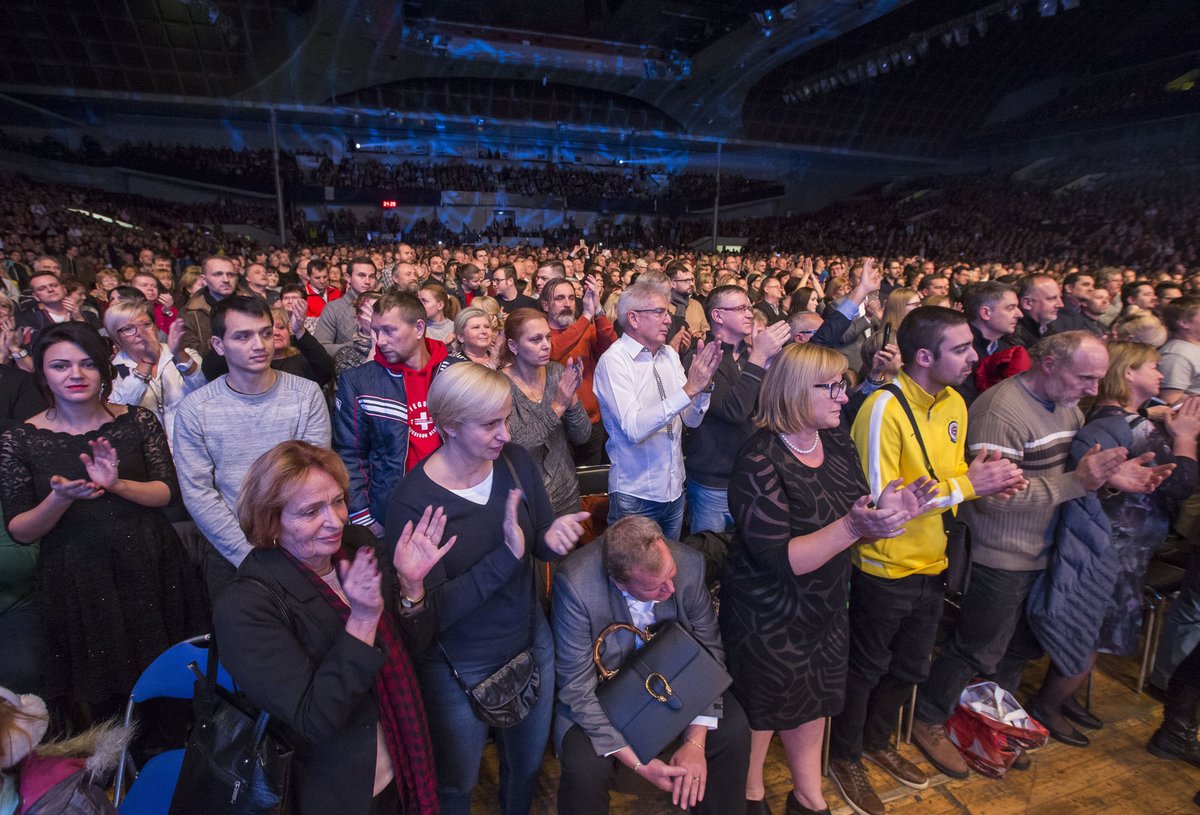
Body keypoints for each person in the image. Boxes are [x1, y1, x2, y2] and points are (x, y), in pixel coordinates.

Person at [912, 332, 1171, 775]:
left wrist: (1112, 477)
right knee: (978, 647)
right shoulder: (1001, 410)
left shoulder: (1066, 402)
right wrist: (1081, 482)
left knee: (1020, 648)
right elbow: (992, 496)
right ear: (1049, 364)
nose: (1093, 389)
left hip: (1044, 545)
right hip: (1000, 552)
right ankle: (927, 718)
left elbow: (1070, 475)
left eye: (1098, 378)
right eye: (1085, 377)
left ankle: (988, 721)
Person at [719, 342, 932, 815]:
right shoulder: (758, 459)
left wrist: (887, 512)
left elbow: (855, 509)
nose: (843, 396)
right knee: (764, 709)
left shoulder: (834, 441)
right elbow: (780, 559)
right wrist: (855, 527)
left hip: (825, 604)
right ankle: (750, 793)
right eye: (833, 387)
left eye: (844, 385)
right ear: (796, 391)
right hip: (767, 614)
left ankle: (807, 792)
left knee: (813, 700)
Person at [828, 307, 1026, 815]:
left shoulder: (955, 403)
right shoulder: (882, 410)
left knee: (911, 666)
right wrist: (966, 485)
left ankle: (877, 742)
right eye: (960, 349)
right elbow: (879, 501)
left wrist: (988, 481)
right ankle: (843, 755)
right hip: (883, 564)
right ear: (923, 356)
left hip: (932, 561)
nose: (973, 357)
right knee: (866, 668)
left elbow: (953, 476)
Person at [383, 363, 590, 815]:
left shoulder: (515, 464)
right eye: (490, 424)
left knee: (526, 769)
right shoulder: (414, 503)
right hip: (458, 667)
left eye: (506, 419)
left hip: (531, 645)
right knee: (456, 784)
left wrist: (549, 541)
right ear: (450, 426)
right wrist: (506, 559)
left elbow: (536, 541)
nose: (505, 434)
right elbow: (426, 619)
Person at [213, 440, 450, 815]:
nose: (336, 520)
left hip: (401, 767)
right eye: (311, 511)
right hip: (333, 792)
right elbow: (315, 718)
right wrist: (363, 619)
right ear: (271, 521)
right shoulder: (245, 607)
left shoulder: (356, 547)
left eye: (338, 501)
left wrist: (411, 585)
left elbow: (412, 646)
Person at [0, 322, 201, 728]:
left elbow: (167, 493)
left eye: (88, 363)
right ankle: (119, 774)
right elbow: (22, 530)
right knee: (106, 699)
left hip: (149, 560)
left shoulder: (138, 421)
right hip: (76, 574)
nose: (75, 375)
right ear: (43, 374)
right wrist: (58, 499)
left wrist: (119, 484)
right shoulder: (20, 439)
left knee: (171, 682)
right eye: (61, 366)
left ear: (104, 371)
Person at [1024, 342, 1196, 743]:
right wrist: (1185, 438)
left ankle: (1062, 699)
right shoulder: (1129, 427)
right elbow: (1183, 483)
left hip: (1124, 542)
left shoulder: (1130, 418)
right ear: (1129, 373)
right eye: (1152, 367)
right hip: (1114, 543)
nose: (1161, 375)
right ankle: (1049, 702)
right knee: (1092, 627)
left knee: (1095, 626)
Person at [551, 515, 751, 815]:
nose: (670, 590)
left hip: (677, 681)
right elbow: (577, 690)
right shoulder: (576, 585)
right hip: (604, 698)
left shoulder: (689, 564)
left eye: (671, 575)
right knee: (584, 767)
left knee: (734, 730)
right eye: (655, 588)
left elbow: (710, 653)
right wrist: (641, 765)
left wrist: (695, 744)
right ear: (619, 581)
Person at [174, 296, 331, 598]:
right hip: (231, 551)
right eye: (243, 336)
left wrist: (291, 543)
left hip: (299, 542)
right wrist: (247, 554)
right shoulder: (197, 409)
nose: (259, 344)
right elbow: (198, 493)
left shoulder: (305, 394)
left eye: (265, 332)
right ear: (218, 346)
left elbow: (312, 475)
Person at [594, 282, 722, 541]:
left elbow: (691, 420)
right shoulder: (614, 362)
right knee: (632, 578)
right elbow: (634, 428)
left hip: (674, 490)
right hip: (636, 495)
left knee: (667, 573)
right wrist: (688, 390)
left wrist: (703, 390)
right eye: (660, 312)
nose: (668, 320)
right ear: (633, 318)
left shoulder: (669, 356)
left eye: (668, 313)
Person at [334, 291, 453, 537]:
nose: (380, 341)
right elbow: (350, 456)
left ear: (419, 328)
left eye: (389, 331)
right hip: (394, 514)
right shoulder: (359, 382)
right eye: (375, 331)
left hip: (455, 505)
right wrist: (364, 520)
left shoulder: (455, 373)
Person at [683, 284, 790, 534]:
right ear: (717, 316)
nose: (749, 314)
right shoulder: (700, 358)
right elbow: (734, 411)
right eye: (741, 308)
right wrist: (759, 359)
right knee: (711, 558)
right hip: (714, 482)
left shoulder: (746, 357)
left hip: (750, 477)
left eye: (750, 307)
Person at [501, 308, 591, 515]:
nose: (546, 346)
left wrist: (572, 398)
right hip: (525, 498)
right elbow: (517, 444)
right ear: (513, 346)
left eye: (548, 338)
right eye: (535, 340)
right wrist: (559, 404)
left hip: (566, 490)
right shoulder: (500, 385)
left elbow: (582, 436)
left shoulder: (557, 372)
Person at [105, 301, 205, 448]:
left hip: (192, 447)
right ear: (116, 337)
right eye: (128, 329)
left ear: (156, 326)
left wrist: (179, 354)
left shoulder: (184, 355)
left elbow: (205, 390)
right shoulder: (112, 370)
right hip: (149, 454)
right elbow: (119, 411)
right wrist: (147, 361)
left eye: (146, 325)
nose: (141, 333)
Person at [541, 276, 618, 466]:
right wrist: (585, 316)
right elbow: (555, 350)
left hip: (592, 421)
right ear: (545, 305)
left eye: (571, 298)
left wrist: (598, 311)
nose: (567, 304)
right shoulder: (541, 335)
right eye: (559, 299)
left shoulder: (586, 329)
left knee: (591, 489)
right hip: (557, 426)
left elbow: (612, 347)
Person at [315, 256, 379, 357]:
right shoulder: (333, 308)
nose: (367, 281)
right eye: (361, 275)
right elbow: (321, 348)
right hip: (348, 368)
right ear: (348, 278)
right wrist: (357, 345)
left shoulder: (384, 304)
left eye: (371, 276)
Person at [179, 255, 238, 355]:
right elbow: (190, 354)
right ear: (204, 280)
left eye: (230, 274)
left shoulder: (252, 305)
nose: (226, 280)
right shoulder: (189, 314)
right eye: (218, 274)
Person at [334, 291, 382, 376]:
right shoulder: (346, 355)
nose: (377, 318)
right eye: (371, 312)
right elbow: (361, 386)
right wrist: (375, 345)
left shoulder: (395, 345)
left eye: (380, 312)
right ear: (357, 319)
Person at [1011, 275, 1063, 348]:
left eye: (1060, 297)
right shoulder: (1012, 339)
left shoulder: (1047, 328)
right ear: (1027, 303)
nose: (1061, 305)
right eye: (1052, 299)